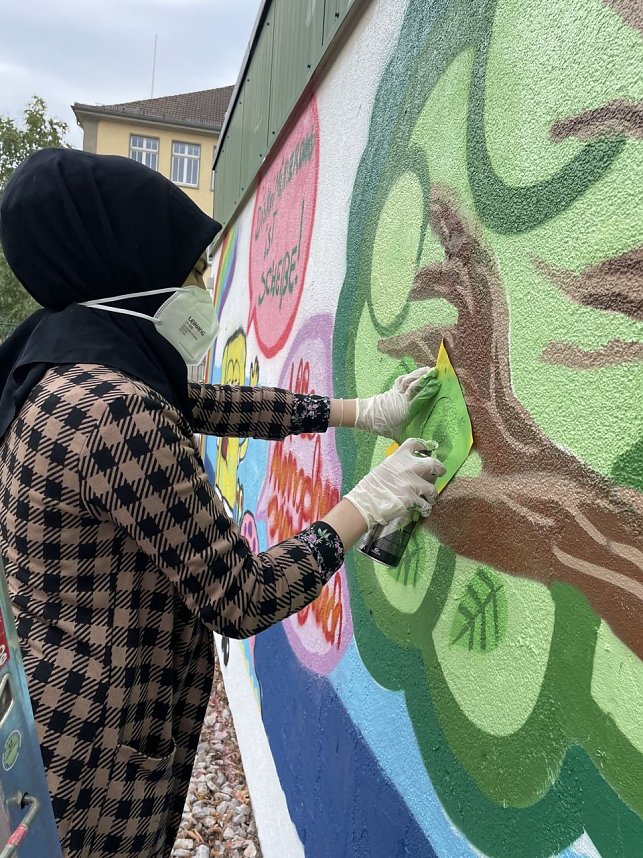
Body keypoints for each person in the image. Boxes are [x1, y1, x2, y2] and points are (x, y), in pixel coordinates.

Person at [0, 149, 444, 857]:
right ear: (128, 265)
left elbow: (210, 403)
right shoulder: (117, 412)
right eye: (191, 265)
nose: (205, 284)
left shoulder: (61, 363)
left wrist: (363, 410)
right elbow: (239, 597)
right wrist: (364, 502)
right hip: (97, 755)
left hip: (57, 713)